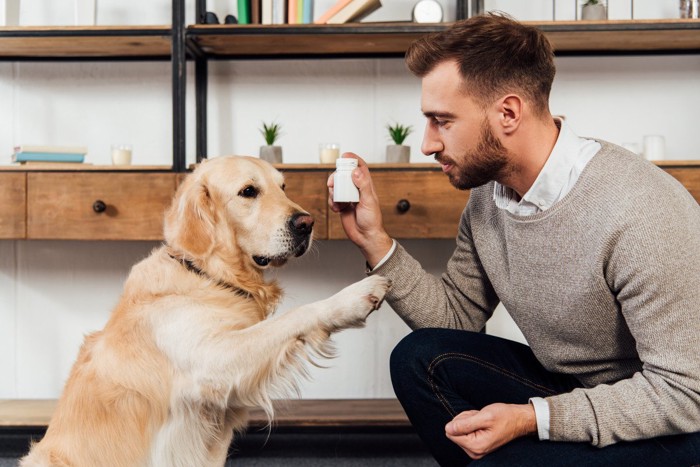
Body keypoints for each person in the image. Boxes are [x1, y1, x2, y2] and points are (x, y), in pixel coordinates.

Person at [327, 13, 700, 466]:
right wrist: (373, 239)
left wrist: (533, 418)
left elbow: (685, 392)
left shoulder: (639, 211)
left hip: (670, 420)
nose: (426, 144)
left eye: (441, 121)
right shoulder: (489, 198)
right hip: (573, 392)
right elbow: (455, 321)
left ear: (508, 113)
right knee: (419, 358)